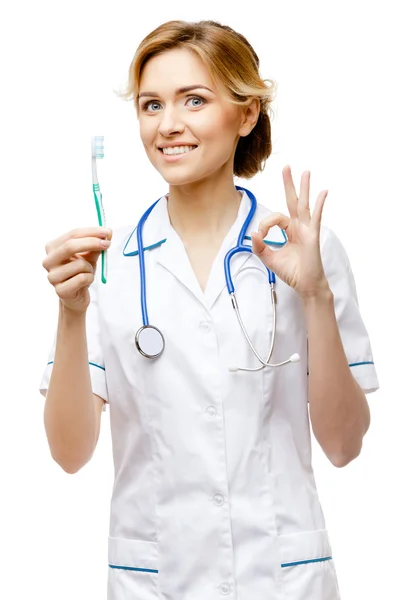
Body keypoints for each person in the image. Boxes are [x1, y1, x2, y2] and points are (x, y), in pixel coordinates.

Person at [39, 19, 379, 600]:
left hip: (283, 580)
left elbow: (344, 447)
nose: (168, 125)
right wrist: (71, 315)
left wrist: (316, 296)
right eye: (151, 105)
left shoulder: (304, 250)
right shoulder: (109, 262)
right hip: (154, 581)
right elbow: (70, 455)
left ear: (246, 114)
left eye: (194, 100)